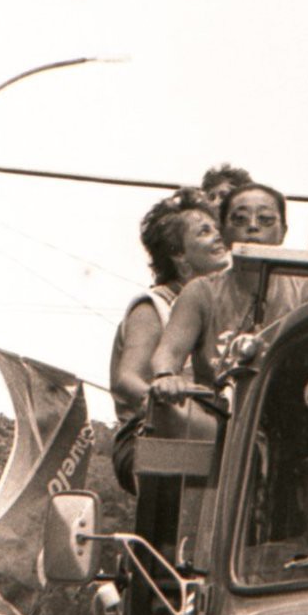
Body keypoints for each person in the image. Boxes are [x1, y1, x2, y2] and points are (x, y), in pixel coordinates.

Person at [151, 181, 308, 398]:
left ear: (283, 231)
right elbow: (168, 352)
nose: (253, 226)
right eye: (240, 219)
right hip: (217, 419)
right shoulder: (199, 292)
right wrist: (166, 376)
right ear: (223, 233)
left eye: (265, 219)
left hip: (291, 416)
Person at [110, 187, 231, 490]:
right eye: (204, 232)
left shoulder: (221, 306)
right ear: (179, 255)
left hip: (204, 431)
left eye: (217, 228)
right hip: (149, 435)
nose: (218, 236)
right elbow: (127, 379)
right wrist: (165, 395)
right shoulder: (154, 306)